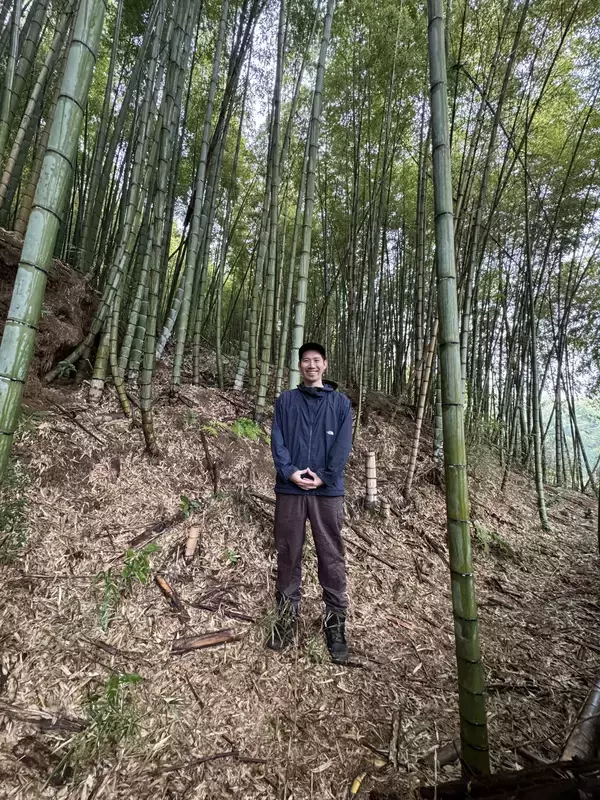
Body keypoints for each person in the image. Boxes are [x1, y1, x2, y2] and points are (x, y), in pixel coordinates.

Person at [268, 342, 353, 663]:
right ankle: (286, 617)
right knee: (288, 551)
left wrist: (324, 476)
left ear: (325, 365)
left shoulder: (341, 403)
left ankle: (335, 624)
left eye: (317, 360)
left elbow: (343, 445)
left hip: (326, 492)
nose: (311, 365)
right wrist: (290, 473)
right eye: (306, 361)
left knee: (331, 555)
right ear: (300, 366)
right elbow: (278, 441)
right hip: (289, 490)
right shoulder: (286, 401)